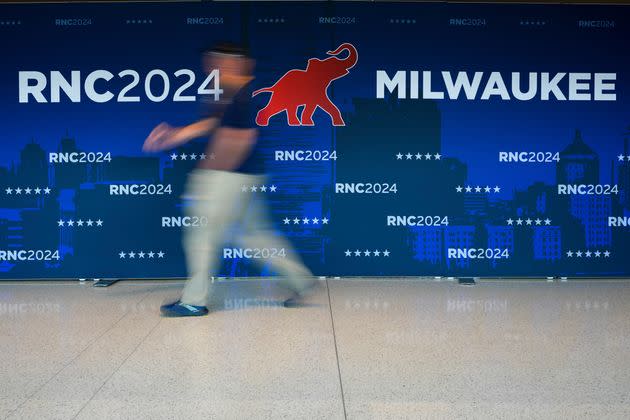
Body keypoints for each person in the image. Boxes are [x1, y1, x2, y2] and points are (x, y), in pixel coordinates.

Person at [142, 42, 318, 317]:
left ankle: (193, 301)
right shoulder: (232, 92)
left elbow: (241, 138)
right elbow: (217, 125)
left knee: (202, 237)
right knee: (254, 236)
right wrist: (180, 133)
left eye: (218, 61)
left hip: (228, 177)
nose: (212, 66)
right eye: (211, 61)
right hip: (247, 176)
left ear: (238, 63)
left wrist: (208, 176)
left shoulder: (241, 95)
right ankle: (300, 279)